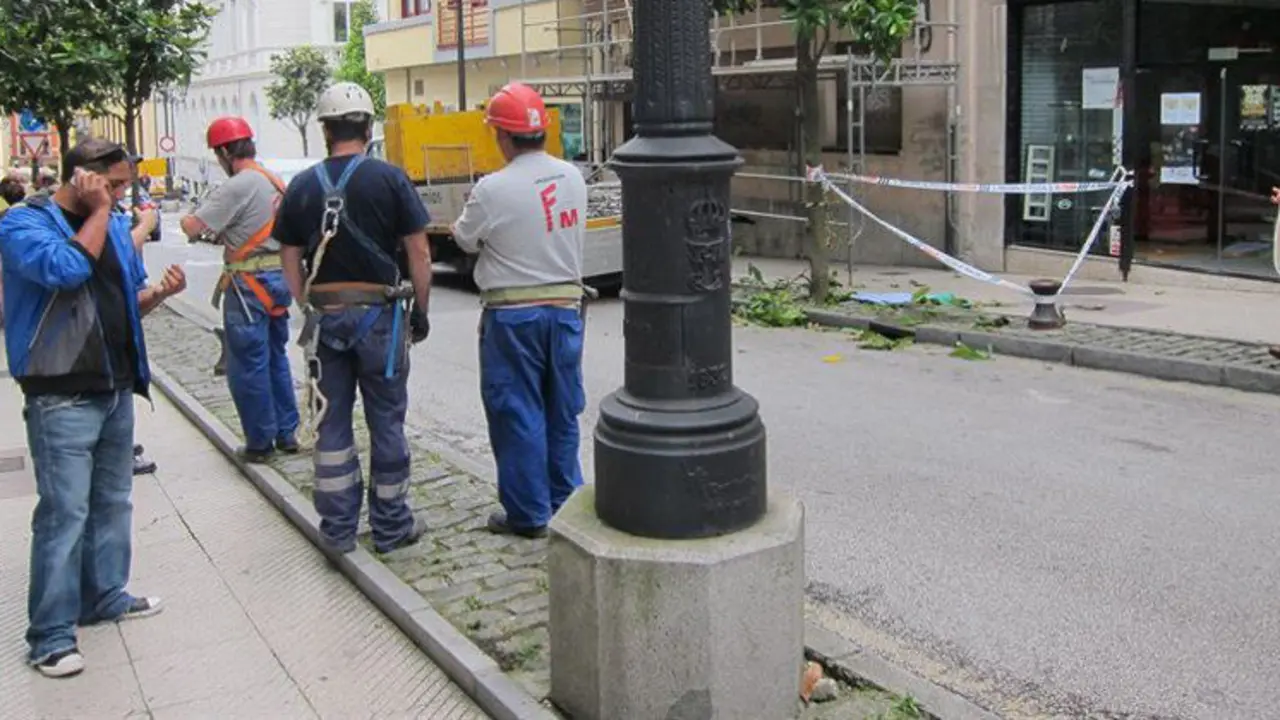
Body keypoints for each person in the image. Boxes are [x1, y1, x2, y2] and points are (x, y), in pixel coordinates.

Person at [0, 139, 187, 678]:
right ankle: (50, 636)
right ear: (84, 177)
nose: (123, 193)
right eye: (116, 184)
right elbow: (63, 270)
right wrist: (103, 212)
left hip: (114, 386)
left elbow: (125, 300)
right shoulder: (23, 225)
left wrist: (161, 295)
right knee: (64, 513)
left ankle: (105, 595)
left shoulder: (111, 226)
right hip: (60, 390)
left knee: (112, 500)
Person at [274, 82, 432, 555]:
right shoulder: (389, 179)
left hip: (326, 322)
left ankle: (338, 529)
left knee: (332, 427)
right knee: (386, 422)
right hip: (380, 320)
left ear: (325, 129)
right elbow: (419, 252)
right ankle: (390, 527)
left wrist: (308, 303)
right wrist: (420, 311)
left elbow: (288, 259)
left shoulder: (302, 186)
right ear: (368, 126)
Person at [450, 82, 590, 539]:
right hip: (566, 311)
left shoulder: (493, 188)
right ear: (543, 131)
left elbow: (464, 238)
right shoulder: (572, 177)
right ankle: (566, 505)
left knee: (518, 412)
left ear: (502, 137)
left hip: (513, 317)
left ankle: (529, 513)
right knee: (561, 409)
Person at [180, 117, 300, 462]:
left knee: (248, 363)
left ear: (223, 152)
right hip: (278, 279)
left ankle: (260, 442)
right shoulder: (272, 180)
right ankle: (286, 432)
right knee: (276, 356)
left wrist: (200, 222)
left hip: (248, 284)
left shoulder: (237, 185)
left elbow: (192, 225)